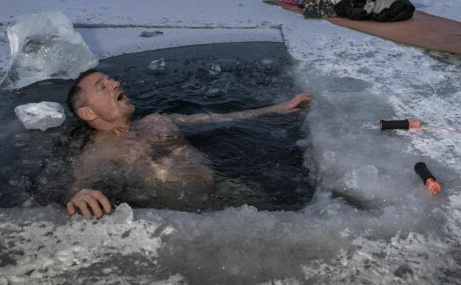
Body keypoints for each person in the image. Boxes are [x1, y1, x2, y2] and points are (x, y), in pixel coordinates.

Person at [64, 68, 313, 218]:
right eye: (102, 87)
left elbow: (218, 119)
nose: (115, 83)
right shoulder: (100, 149)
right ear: (88, 113)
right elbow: (79, 183)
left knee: (291, 218)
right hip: (182, 214)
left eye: (110, 79)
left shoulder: (156, 121)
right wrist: (79, 194)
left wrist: (278, 108)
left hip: (224, 189)